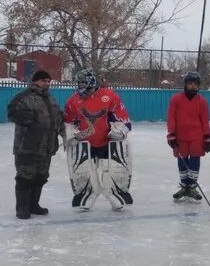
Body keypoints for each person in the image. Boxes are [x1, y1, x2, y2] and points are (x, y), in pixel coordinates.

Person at [64, 69, 132, 210]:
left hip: (107, 143)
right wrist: (70, 135)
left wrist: (120, 130)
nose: (81, 86)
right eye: (79, 83)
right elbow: (68, 122)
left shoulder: (110, 96)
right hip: (84, 144)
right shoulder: (73, 101)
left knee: (114, 169)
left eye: (84, 83)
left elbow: (121, 116)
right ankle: (87, 195)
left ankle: (115, 193)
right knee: (84, 170)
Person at [7, 70, 63, 219]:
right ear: (36, 81)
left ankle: (33, 205)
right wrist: (27, 118)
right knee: (25, 177)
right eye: (44, 80)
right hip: (27, 146)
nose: (47, 83)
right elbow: (11, 112)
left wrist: (64, 130)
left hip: (47, 147)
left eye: (49, 81)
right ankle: (22, 208)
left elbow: (58, 116)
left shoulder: (50, 99)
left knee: (41, 176)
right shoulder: (24, 97)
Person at [167, 71, 210, 201]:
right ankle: (184, 186)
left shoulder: (202, 101)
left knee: (194, 162)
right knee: (182, 162)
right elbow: (171, 118)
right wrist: (171, 134)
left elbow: (205, 120)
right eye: (190, 84)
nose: (193, 87)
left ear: (198, 86)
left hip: (196, 137)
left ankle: (192, 187)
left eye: (195, 84)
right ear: (185, 84)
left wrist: (207, 137)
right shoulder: (176, 99)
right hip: (180, 137)